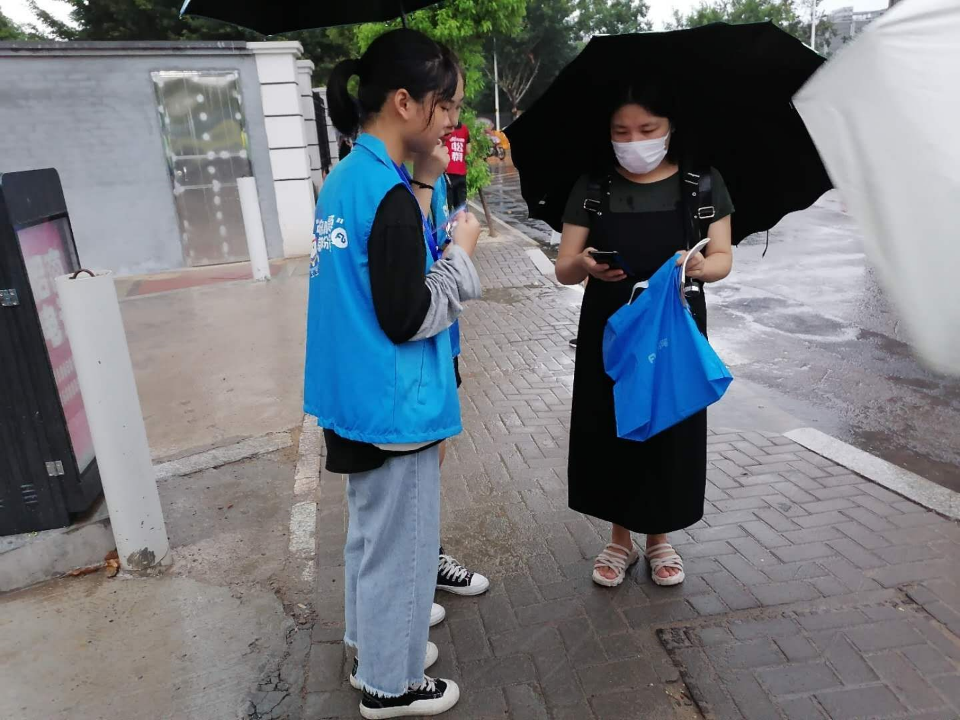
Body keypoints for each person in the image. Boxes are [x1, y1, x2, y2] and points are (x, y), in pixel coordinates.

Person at [304, 29, 483, 718]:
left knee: (372, 539)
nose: (451, 123)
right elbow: (408, 315)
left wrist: (429, 182)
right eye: (446, 107)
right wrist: (462, 254)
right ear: (405, 102)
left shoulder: (353, 176)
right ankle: (391, 684)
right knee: (402, 550)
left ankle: (372, 649)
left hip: (356, 396)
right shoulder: (385, 194)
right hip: (393, 401)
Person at [555, 85, 734, 589]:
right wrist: (585, 264)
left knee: (668, 427)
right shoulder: (592, 187)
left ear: (670, 129)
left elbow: (722, 258)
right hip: (612, 325)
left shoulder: (703, 185)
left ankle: (659, 539)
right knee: (612, 428)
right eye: (621, 132)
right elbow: (564, 268)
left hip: (676, 325)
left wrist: (700, 265)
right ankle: (619, 538)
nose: (634, 141)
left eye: (647, 131)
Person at [442, 121, 470, 209]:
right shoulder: (465, 129)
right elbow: (468, 150)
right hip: (461, 173)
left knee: (448, 206)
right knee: (461, 206)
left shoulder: (447, 128)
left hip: (448, 172)